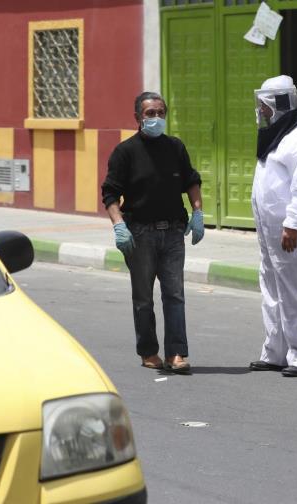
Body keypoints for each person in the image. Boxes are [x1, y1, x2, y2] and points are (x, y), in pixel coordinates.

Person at [101, 91, 204, 374]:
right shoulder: (125, 152)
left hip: (173, 233)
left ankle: (176, 354)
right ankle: (148, 351)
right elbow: (110, 193)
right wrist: (119, 225)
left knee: (175, 294)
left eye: (160, 113)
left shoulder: (175, 147)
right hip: (140, 234)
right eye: (150, 113)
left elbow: (191, 181)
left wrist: (197, 213)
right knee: (143, 297)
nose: (156, 118)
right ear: (138, 117)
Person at [248, 75, 297, 377]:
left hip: (293, 232)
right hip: (271, 232)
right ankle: (275, 352)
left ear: (280, 103)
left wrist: (292, 224)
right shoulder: (279, 135)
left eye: (265, 105)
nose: (261, 110)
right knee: (272, 288)